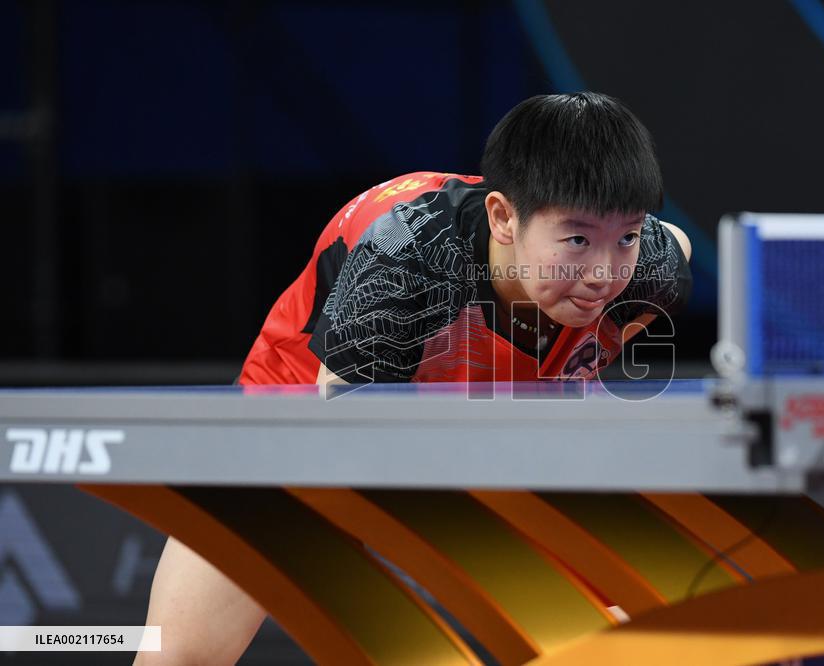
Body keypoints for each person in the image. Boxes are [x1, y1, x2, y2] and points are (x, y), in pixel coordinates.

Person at [135, 91, 692, 665]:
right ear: (503, 217)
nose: (603, 273)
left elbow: (677, 244)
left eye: (624, 237)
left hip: (493, 408)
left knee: (640, 628)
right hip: (301, 408)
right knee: (178, 656)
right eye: (576, 240)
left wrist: (566, 377)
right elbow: (345, 453)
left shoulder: (648, 267)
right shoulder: (405, 264)